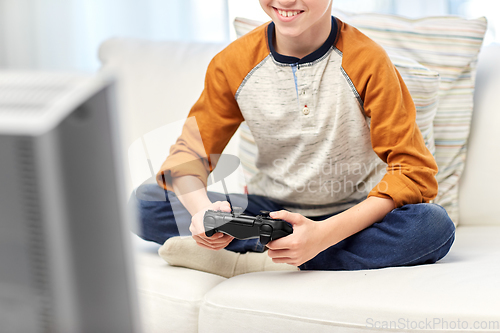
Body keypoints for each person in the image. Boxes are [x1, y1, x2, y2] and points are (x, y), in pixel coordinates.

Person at [132, 0, 455, 277]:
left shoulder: (368, 61)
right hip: (269, 212)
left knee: (433, 227)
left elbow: (413, 172)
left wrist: (323, 234)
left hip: (352, 214)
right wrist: (203, 213)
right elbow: (188, 155)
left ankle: (259, 262)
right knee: (144, 204)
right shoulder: (232, 63)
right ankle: (289, 250)